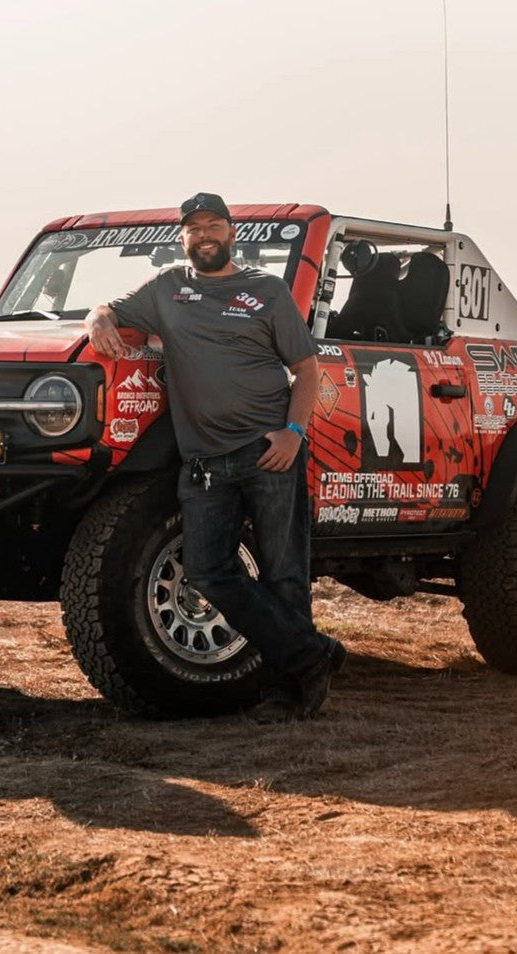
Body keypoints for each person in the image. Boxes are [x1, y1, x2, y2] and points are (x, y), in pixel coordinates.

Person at [85, 192, 345, 722]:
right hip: (203, 462)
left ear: (231, 233)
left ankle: (288, 688)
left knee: (283, 573)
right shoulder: (166, 289)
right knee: (206, 572)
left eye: (213, 225)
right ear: (182, 237)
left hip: (268, 451)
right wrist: (98, 319)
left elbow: (307, 370)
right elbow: (109, 307)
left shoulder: (266, 291)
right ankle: (314, 654)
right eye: (194, 227)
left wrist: (294, 433)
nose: (204, 235)